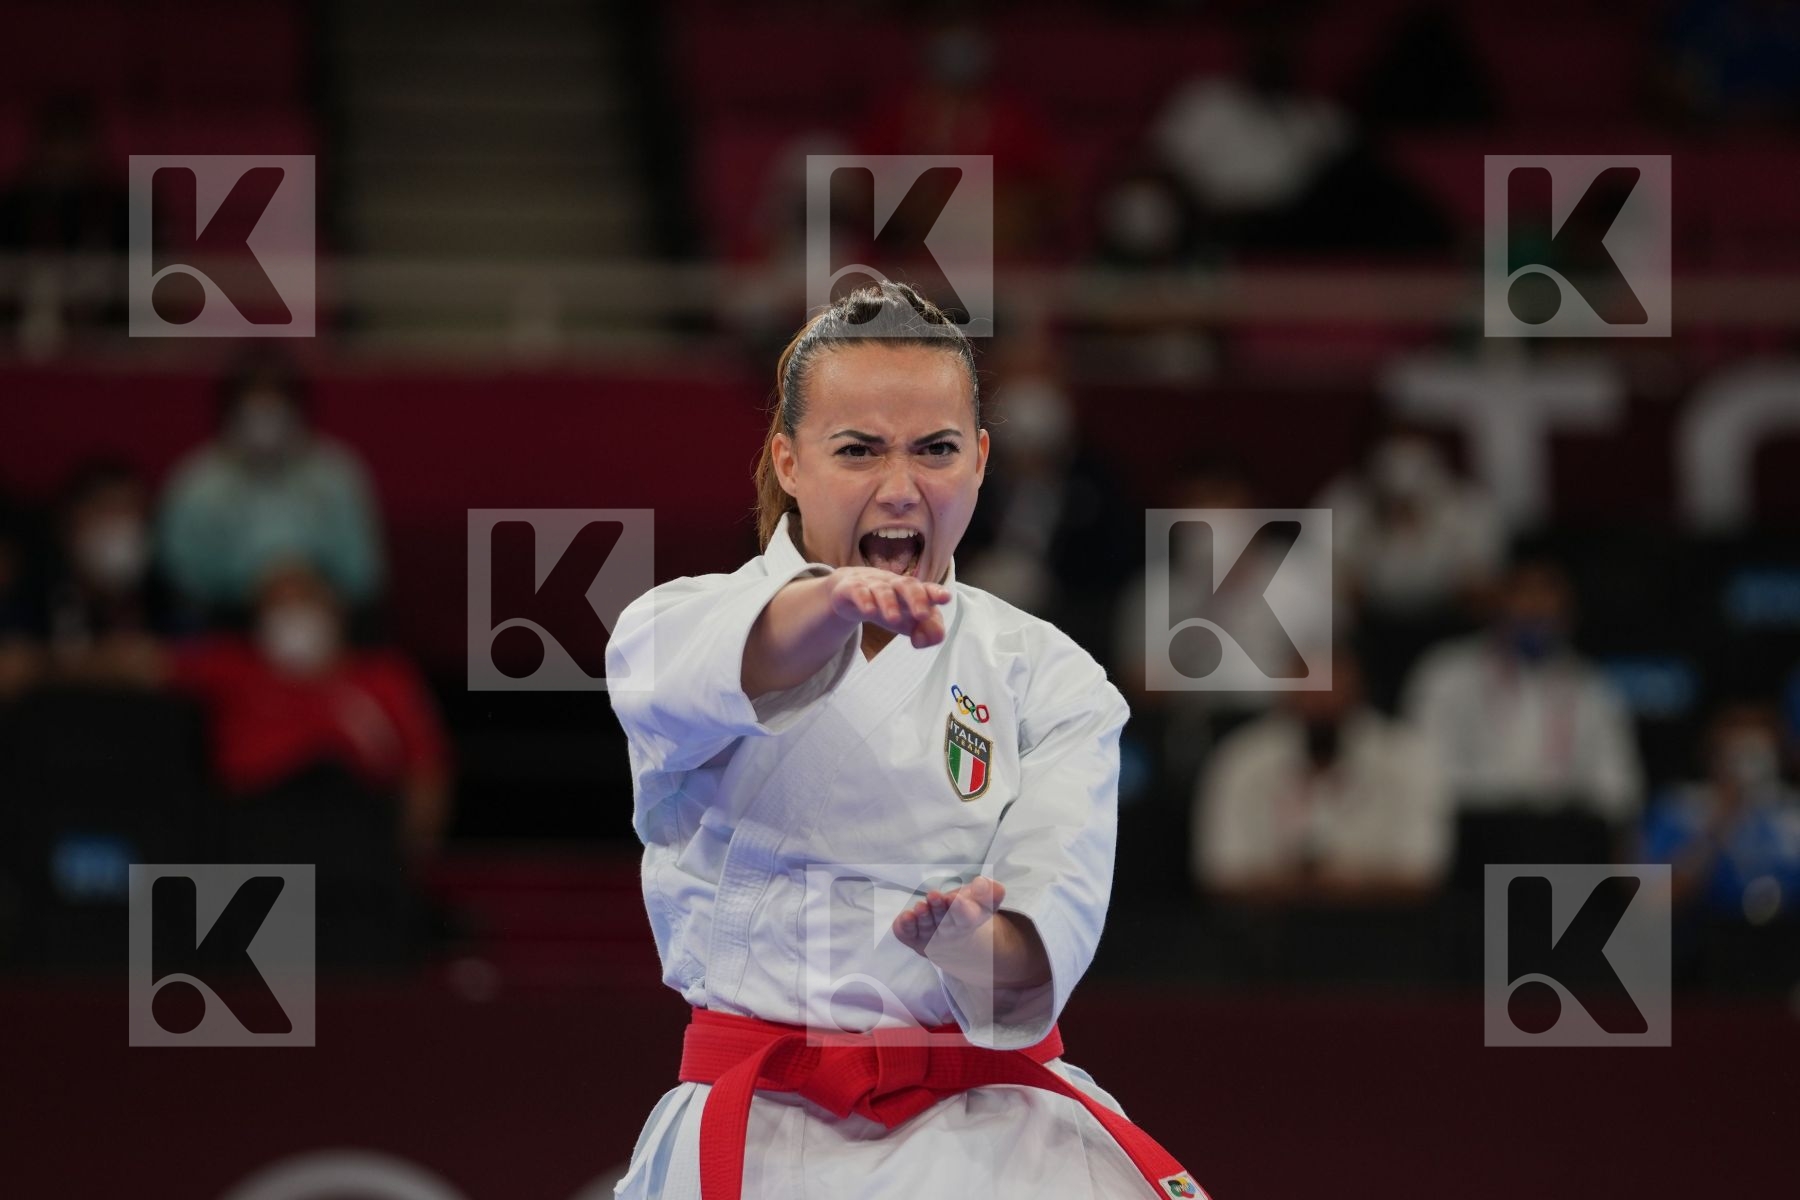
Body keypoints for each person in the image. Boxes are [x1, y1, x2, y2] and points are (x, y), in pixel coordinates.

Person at [603, 283, 1204, 1200]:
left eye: (936, 450)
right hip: (765, 1129)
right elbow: (740, 658)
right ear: (789, 461)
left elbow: (1039, 953)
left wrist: (970, 945)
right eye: (858, 450)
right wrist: (829, 604)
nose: (899, 486)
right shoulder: (672, 623)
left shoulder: (1052, 677)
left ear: (981, 461)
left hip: (997, 1134)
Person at [163, 560, 451, 860]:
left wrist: (409, 857)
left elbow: (427, 771)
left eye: (303, 601)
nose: (291, 616)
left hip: (350, 835)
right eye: (276, 606)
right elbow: (141, 662)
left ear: (335, 609)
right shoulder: (233, 666)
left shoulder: (384, 678)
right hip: (255, 834)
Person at [1400, 556, 1643, 827]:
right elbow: (1422, 769)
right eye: (1525, 603)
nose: (1536, 612)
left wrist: (1558, 806)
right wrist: (1509, 802)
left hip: (1561, 838)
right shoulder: (1447, 673)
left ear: (1569, 617)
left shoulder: (1594, 687)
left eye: (1547, 608)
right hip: (1468, 831)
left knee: (1638, 866)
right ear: (1499, 606)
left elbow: (1619, 787)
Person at [1194, 647, 1450, 905]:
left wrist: (1330, 885)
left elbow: (1422, 873)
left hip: (1384, 931)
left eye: (1332, 688)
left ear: (1359, 691)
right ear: (1284, 694)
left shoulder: (1406, 757)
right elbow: (1221, 873)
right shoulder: (1242, 759)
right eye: (1308, 691)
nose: (1320, 702)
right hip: (1266, 933)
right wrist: (1322, 886)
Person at [158, 347, 386, 617]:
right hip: (226, 618)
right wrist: (256, 591)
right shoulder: (196, 483)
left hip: (324, 619)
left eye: (275, 405)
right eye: (254, 406)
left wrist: (307, 588)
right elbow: (178, 579)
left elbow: (364, 575)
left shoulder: (337, 475)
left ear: (298, 408)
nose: (265, 417)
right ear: (230, 410)